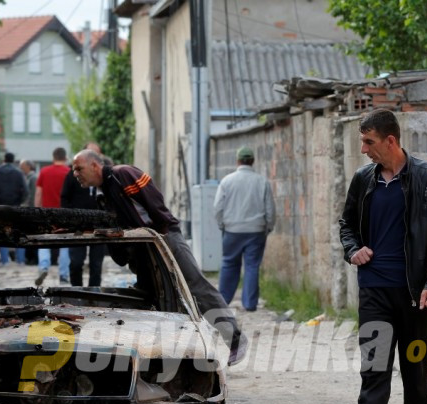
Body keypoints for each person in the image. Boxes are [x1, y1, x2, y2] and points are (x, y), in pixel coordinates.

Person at [339, 108, 427, 404]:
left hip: (416, 297)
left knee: (415, 374)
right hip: (374, 291)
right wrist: (352, 248)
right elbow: (346, 224)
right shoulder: (363, 179)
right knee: (374, 371)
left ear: (390, 140)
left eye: (369, 141)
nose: (363, 149)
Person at [71, 150, 249, 366]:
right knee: (152, 298)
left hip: (164, 238)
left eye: (79, 168)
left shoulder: (122, 174)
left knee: (196, 287)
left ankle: (235, 341)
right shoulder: (102, 194)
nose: (75, 173)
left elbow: (154, 202)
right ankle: (168, 357)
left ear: (95, 166)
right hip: (143, 249)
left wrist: (161, 235)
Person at [214, 146, 275, 312]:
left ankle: (223, 301)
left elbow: (218, 207)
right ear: (253, 161)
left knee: (228, 263)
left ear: (238, 161)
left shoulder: (227, 181)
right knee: (252, 266)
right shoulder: (262, 181)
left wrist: (222, 225)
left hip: (232, 230)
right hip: (256, 231)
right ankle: (249, 303)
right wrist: (268, 227)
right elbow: (270, 209)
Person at [60, 142, 105, 287]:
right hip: (78, 225)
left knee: (96, 264)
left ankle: (94, 293)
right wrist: (70, 218)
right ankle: (77, 291)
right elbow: (65, 197)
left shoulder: (105, 175)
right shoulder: (74, 175)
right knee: (76, 262)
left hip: (100, 225)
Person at [35, 148, 71, 285]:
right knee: (65, 244)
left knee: (43, 241)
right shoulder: (69, 172)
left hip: (46, 213)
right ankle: (63, 275)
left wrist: (36, 210)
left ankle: (43, 267)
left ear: (53, 157)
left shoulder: (44, 171)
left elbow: (39, 192)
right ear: (65, 157)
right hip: (64, 213)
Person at [0, 152, 28, 265]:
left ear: (4, 159)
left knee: (3, 232)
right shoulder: (19, 173)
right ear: (13, 160)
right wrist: (19, 201)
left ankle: (4, 260)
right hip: (15, 206)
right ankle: (20, 260)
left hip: (0, 207)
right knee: (18, 232)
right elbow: (25, 191)